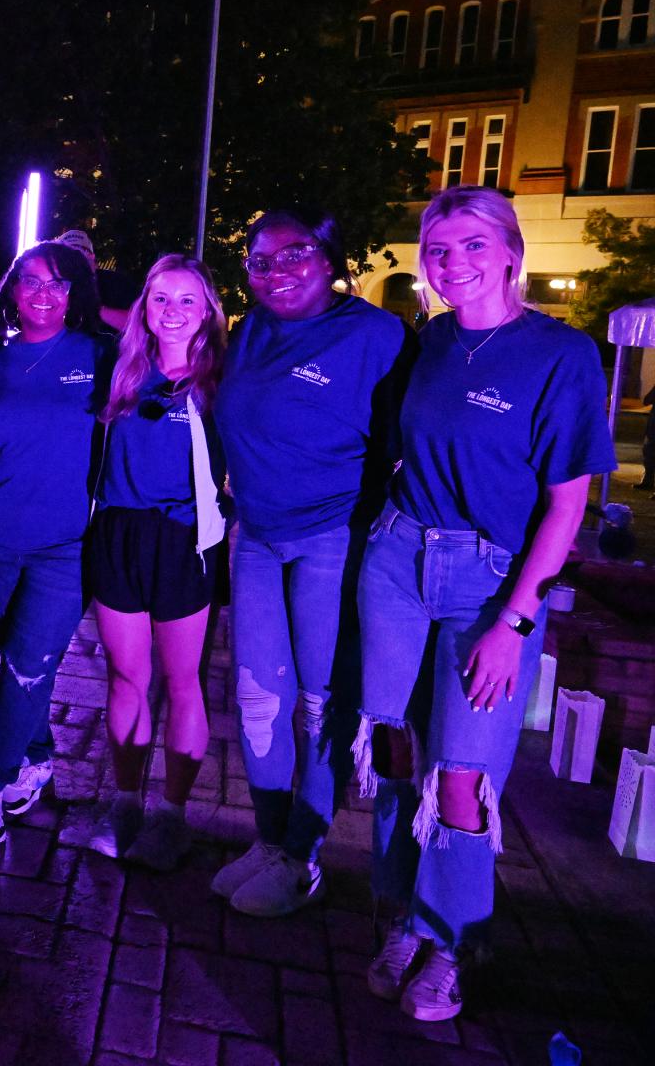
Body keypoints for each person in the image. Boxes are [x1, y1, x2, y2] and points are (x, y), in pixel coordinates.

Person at [353, 186, 615, 1021]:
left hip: (489, 581)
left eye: (470, 245)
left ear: (509, 251)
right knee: (393, 745)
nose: (451, 263)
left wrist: (513, 623)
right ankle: (400, 914)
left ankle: (451, 938)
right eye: (436, 249)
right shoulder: (428, 340)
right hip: (398, 557)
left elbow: (567, 506)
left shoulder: (560, 355)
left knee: (462, 775)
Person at [212, 208, 414, 917]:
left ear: (328, 259)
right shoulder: (248, 332)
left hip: (333, 535)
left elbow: (412, 436)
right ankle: (269, 840)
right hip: (257, 535)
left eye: (294, 254)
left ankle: (303, 856)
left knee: (318, 704)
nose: (277, 272)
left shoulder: (375, 333)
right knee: (257, 696)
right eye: (259, 261)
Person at [85, 255, 228, 870]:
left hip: (184, 542)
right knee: (125, 678)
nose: (172, 312)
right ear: (144, 306)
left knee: (183, 682)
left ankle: (171, 813)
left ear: (208, 311)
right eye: (160, 299)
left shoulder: (222, 380)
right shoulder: (121, 369)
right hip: (118, 535)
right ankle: (124, 801)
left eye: (187, 300)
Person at [0, 241, 106, 843]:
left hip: (66, 544)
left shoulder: (99, 356)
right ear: (12, 292)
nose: (43, 294)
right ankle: (39, 758)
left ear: (74, 295)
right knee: (19, 657)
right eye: (30, 282)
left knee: (27, 660)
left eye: (56, 284)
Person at [55, 228, 137, 331]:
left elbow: (138, 325)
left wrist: (94, 306)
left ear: (91, 256)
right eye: (65, 255)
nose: (73, 259)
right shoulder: (53, 284)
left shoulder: (116, 282)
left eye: (78, 252)